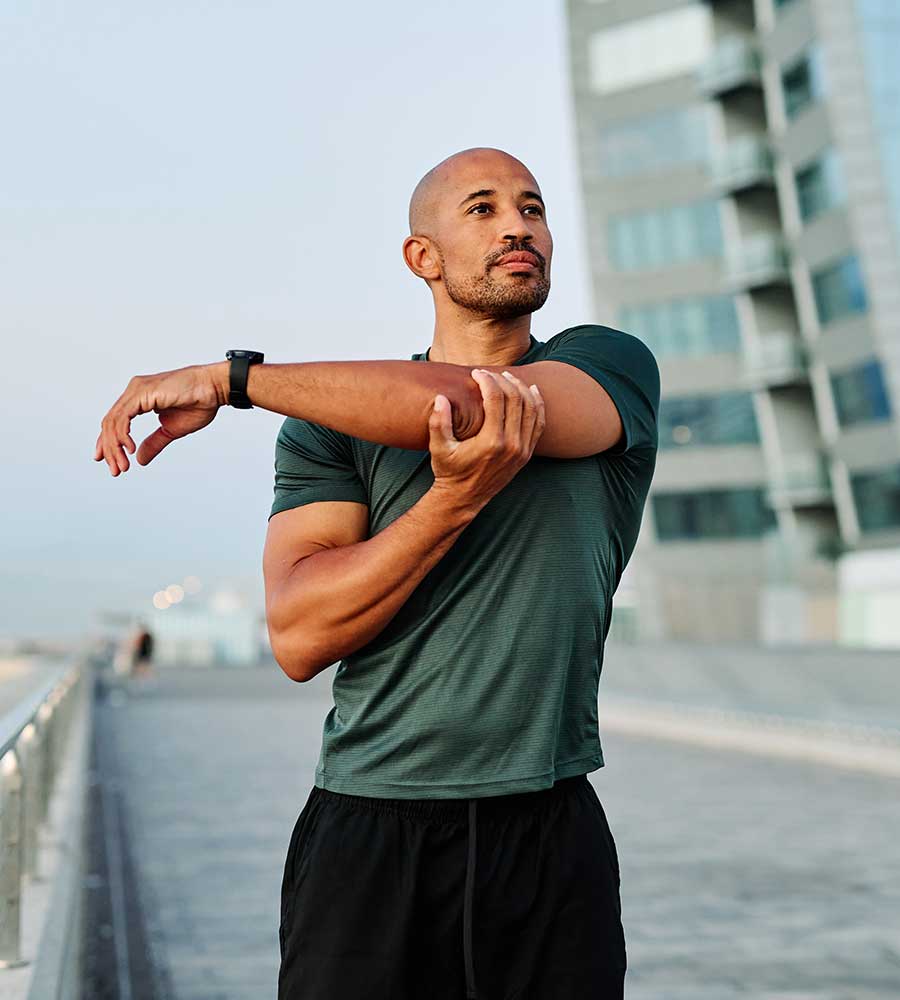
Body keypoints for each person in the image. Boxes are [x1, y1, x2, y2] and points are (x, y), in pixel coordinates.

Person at [93, 146, 660, 999]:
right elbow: (299, 635)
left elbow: (472, 404)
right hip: (365, 836)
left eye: (532, 208)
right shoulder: (327, 427)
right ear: (421, 258)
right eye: (482, 209)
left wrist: (233, 380)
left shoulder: (607, 368)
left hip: (548, 835)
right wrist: (449, 505)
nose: (518, 226)